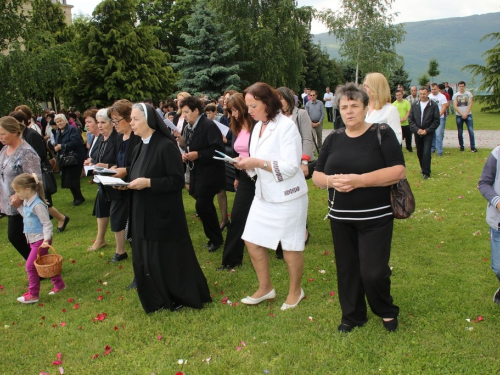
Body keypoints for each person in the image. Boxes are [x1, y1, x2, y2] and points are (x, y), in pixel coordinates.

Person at [312, 83, 406, 332]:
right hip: (341, 217)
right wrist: (332, 181)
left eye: (355, 105)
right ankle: (352, 315)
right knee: (347, 269)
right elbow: (317, 176)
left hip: (377, 216)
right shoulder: (333, 138)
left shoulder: (381, 133)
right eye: (344, 107)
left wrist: (359, 181)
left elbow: (398, 171)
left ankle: (386, 309)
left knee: (373, 271)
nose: (349, 111)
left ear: (366, 108)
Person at [124, 102, 211, 313]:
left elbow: (176, 181)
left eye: (135, 119)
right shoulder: (138, 146)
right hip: (141, 210)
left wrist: (149, 183)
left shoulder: (165, 145)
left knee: (164, 258)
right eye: (131, 119)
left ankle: (174, 295)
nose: (131, 123)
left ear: (149, 121)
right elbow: (135, 173)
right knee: (146, 257)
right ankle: (156, 296)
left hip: (163, 213)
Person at [236, 82, 308, 311]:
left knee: (290, 247)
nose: (249, 111)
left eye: (253, 105)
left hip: (289, 197)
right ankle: (265, 287)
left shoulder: (286, 127)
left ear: (268, 103)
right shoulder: (258, 126)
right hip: (264, 196)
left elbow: (290, 167)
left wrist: (256, 162)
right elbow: (257, 161)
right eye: (247, 106)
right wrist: (246, 164)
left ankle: (296, 291)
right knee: (251, 239)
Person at [9, 110, 70, 233]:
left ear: (22, 122)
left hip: (38, 171)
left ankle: (61, 218)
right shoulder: (22, 135)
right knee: (35, 201)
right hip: (29, 173)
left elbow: (41, 154)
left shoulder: (31, 135)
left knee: (40, 200)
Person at [179, 97, 225, 252]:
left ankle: (216, 239)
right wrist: (186, 154)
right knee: (204, 205)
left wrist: (198, 154)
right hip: (198, 172)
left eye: (186, 112)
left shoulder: (208, 125)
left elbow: (218, 150)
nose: (184, 115)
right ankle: (214, 237)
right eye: (183, 112)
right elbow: (190, 145)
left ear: (196, 110)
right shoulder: (190, 126)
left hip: (210, 172)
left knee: (202, 205)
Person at [12, 173, 65, 304]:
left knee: (30, 266)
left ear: (27, 190)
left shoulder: (38, 205)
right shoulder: (26, 202)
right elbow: (27, 216)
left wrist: (46, 240)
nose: (16, 194)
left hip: (41, 241)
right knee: (45, 263)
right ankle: (59, 285)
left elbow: (46, 223)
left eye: (18, 191)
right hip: (34, 240)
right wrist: (18, 206)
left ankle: (33, 294)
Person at [217, 93, 256, 271]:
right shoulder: (236, 127)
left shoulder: (257, 126)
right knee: (238, 216)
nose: (233, 114)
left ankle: (281, 248)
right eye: (230, 111)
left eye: (234, 110)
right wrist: (237, 177)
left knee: (272, 213)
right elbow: (236, 153)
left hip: (263, 176)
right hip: (245, 177)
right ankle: (231, 260)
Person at [0, 116, 42, 260]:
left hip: (24, 203)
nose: (0, 137)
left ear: (14, 132)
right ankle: (38, 264)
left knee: (15, 236)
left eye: (2, 134)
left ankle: (37, 264)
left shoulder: (26, 152)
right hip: (10, 202)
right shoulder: (5, 150)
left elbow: (35, 178)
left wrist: (20, 196)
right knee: (23, 237)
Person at [107, 100, 141, 264]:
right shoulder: (120, 138)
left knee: (135, 219)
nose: (114, 124)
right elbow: (118, 159)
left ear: (129, 119)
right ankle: (120, 251)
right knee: (116, 215)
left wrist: (125, 170)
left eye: (116, 120)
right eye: (112, 121)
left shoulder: (137, 138)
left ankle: (137, 247)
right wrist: (112, 167)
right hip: (119, 185)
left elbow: (141, 164)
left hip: (134, 184)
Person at [86, 108, 118, 252]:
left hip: (115, 180)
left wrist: (106, 166)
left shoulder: (117, 138)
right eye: (98, 122)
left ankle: (123, 243)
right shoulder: (100, 138)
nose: (100, 125)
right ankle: (100, 239)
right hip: (102, 180)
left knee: (118, 211)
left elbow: (122, 162)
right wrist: (91, 163)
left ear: (112, 123)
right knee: (101, 209)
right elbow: (96, 157)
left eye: (103, 122)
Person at [478, 146, 500, 305]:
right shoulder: (497, 153)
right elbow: (484, 183)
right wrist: (497, 202)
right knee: (498, 267)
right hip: (498, 223)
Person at [53, 114, 86, 205]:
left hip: (75, 157)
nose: (59, 123)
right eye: (57, 122)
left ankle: (79, 197)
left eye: (60, 121)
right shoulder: (58, 132)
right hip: (65, 158)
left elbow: (76, 142)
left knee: (73, 178)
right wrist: (56, 147)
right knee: (68, 178)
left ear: (65, 121)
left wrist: (62, 146)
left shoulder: (72, 129)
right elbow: (57, 143)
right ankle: (76, 197)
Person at [408, 87, 440, 180]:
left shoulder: (433, 105)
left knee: (426, 152)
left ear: (428, 94)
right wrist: (417, 129)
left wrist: (427, 130)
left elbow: (436, 121)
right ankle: (423, 167)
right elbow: (411, 119)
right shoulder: (415, 105)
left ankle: (426, 172)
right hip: (418, 132)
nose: (422, 96)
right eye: (421, 94)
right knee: (420, 152)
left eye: (424, 94)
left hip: (428, 133)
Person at [363, 72, 402, 144]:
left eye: (367, 86)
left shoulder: (390, 110)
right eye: (364, 86)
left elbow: (397, 139)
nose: (364, 89)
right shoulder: (363, 108)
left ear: (376, 89)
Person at [453, 81, 477, 152]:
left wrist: (466, 113)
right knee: (460, 131)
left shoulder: (468, 94)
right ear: (458, 87)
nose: (461, 88)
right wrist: (461, 114)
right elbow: (455, 105)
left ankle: (473, 147)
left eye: (462, 86)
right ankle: (461, 146)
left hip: (468, 114)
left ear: (464, 86)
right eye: (460, 86)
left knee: (471, 130)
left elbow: (470, 104)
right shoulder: (455, 95)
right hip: (459, 115)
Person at [428, 83, 449, 156]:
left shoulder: (442, 97)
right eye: (432, 89)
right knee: (432, 134)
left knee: (438, 134)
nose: (433, 91)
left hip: (440, 118)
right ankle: (432, 148)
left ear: (438, 89)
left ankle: (439, 151)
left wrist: (437, 115)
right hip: (431, 119)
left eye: (435, 89)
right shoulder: (429, 96)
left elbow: (444, 107)